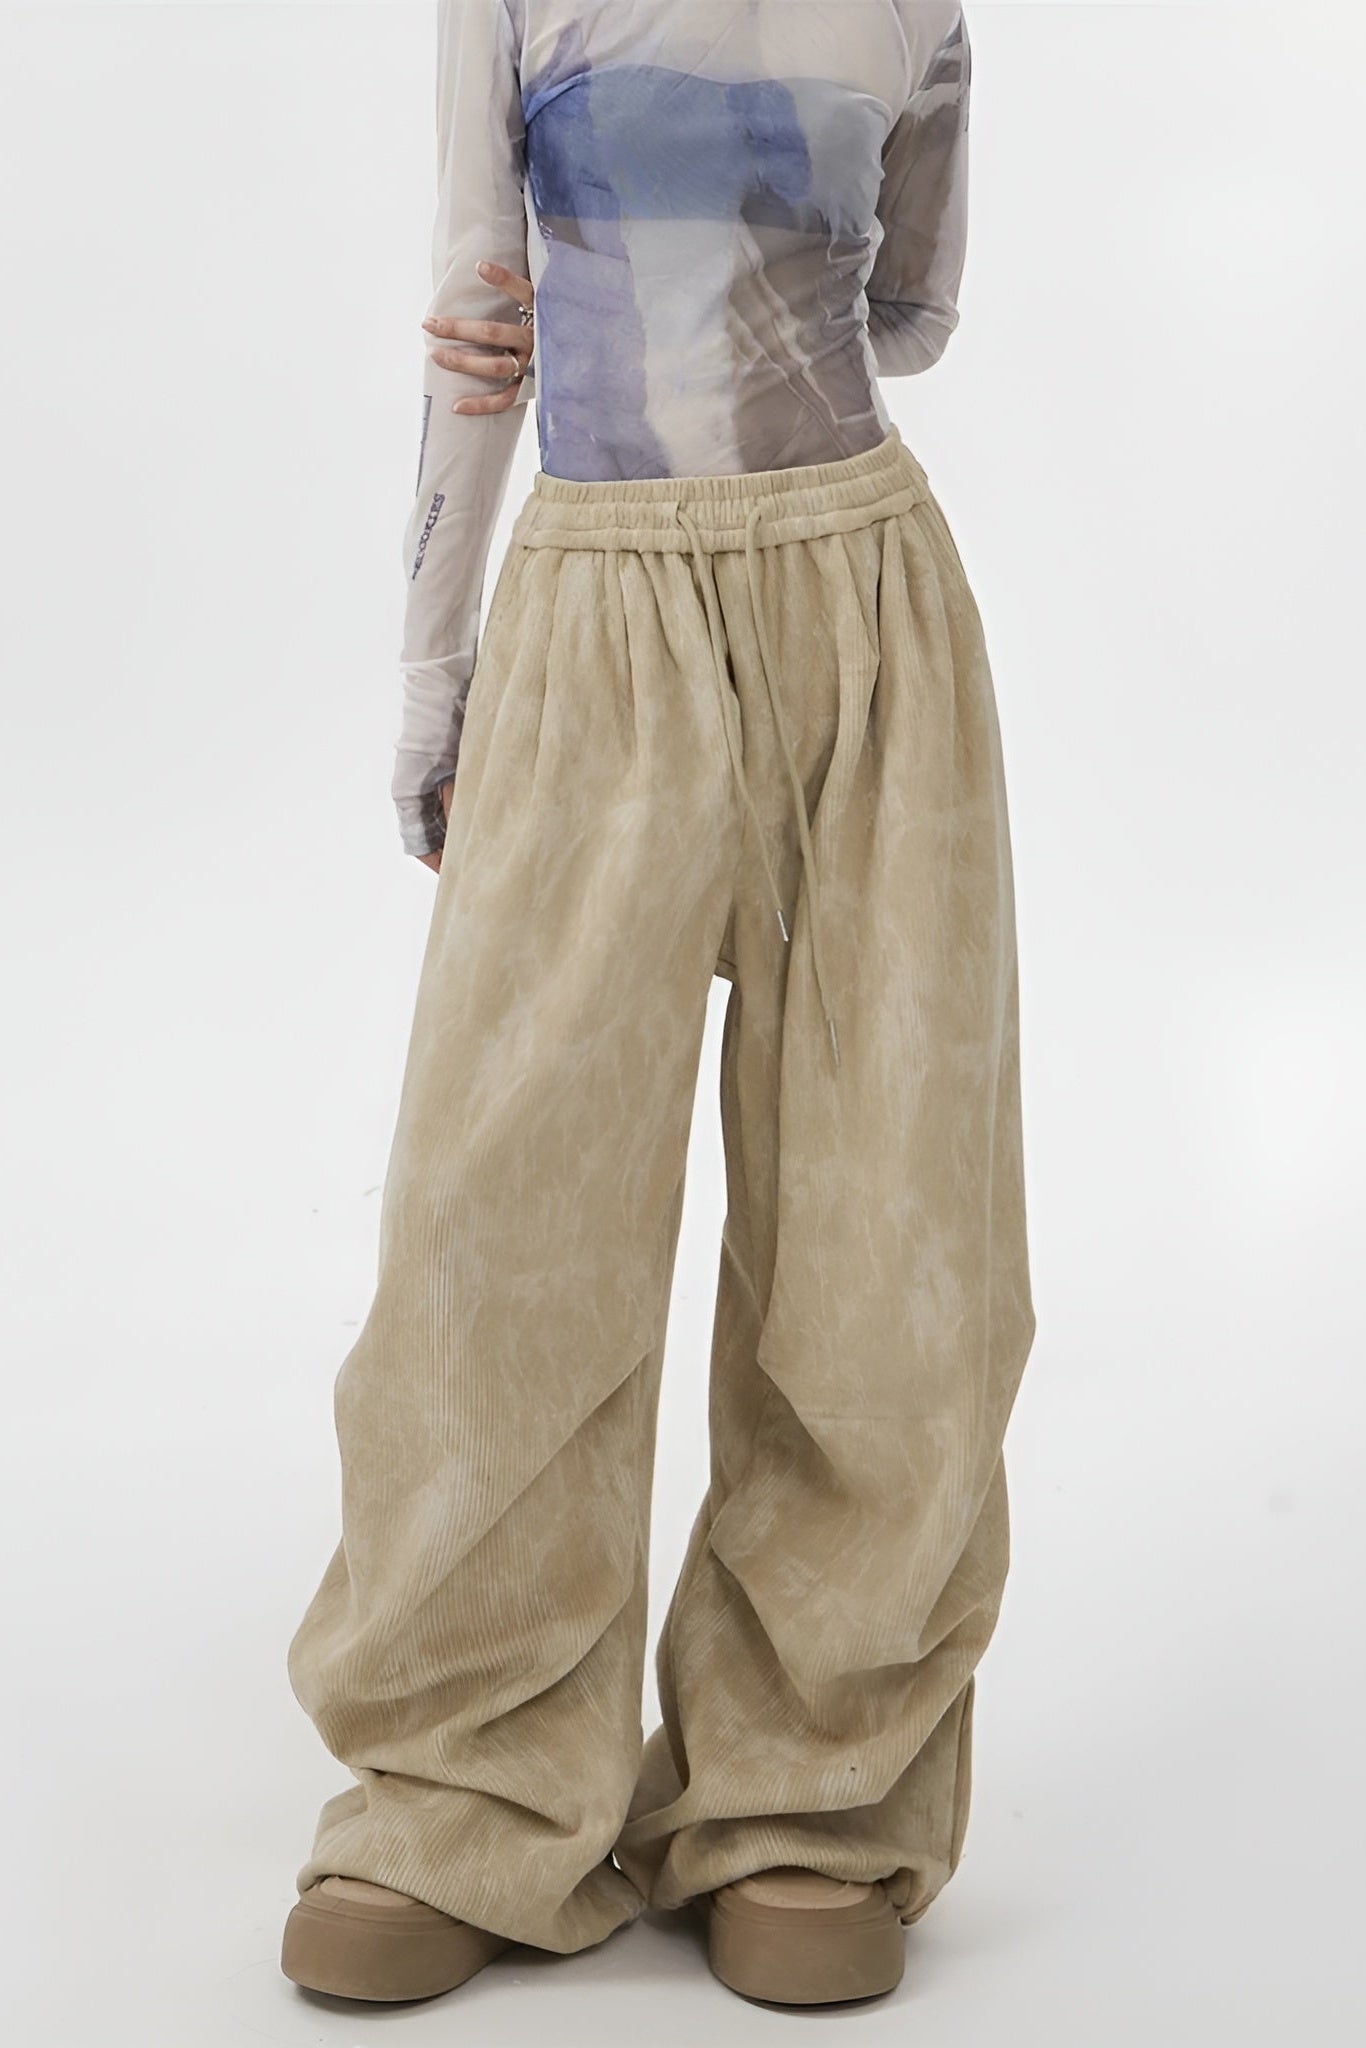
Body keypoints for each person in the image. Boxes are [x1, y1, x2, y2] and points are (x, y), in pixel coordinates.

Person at [280, 0, 1036, 2011]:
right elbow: (486, 305)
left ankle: (809, 1794)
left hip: (864, 612)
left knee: (891, 1213)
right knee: (499, 1207)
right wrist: (432, 680)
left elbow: (919, 317)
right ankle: (460, 1788)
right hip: (598, 599)